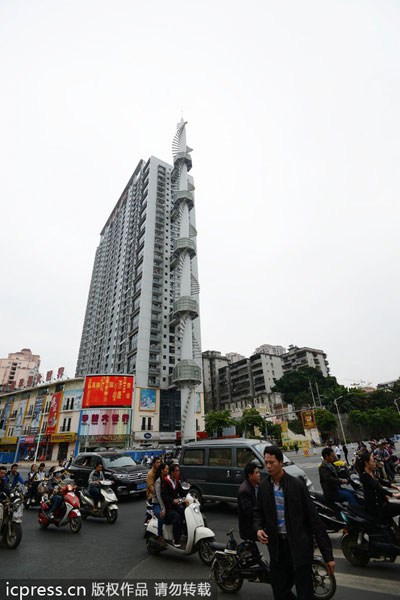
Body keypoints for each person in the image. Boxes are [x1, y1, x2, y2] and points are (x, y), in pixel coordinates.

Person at [254, 446, 334, 600]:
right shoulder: (264, 487)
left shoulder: (296, 486)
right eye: (266, 462)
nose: (268, 466)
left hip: (299, 547)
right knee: (279, 590)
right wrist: (258, 529)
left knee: (305, 591)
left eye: (272, 462)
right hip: (278, 548)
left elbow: (314, 520)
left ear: (281, 462)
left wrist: (328, 555)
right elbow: (258, 513)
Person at [357, 451, 400, 520]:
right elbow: (378, 488)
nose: (375, 464)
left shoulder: (371, 473)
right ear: (366, 463)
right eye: (373, 462)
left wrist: (396, 487)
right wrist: (394, 495)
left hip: (381, 502)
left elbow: (382, 482)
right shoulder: (365, 476)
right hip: (376, 507)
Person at [161, 462, 186, 547]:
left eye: (178, 471)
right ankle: (176, 539)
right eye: (176, 471)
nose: (178, 473)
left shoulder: (177, 482)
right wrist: (172, 500)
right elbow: (163, 495)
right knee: (177, 517)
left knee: (185, 511)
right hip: (167, 508)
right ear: (171, 472)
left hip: (175, 506)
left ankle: (184, 533)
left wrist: (190, 494)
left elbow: (182, 493)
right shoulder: (166, 482)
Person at [238, 462, 260, 541]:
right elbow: (250, 512)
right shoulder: (245, 491)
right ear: (250, 476)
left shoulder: (256, 485)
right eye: (257, 473)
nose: (259, 475)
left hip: (255, 524)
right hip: (249, 528)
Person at [151, 462, 169, 544]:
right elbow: (158, 496)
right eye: (166, 469)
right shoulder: (158, 481)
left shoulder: (167, 479)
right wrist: (163, 508)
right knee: (162, 515)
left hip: (164, 503)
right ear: (162, 470)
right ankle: (159, 535)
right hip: (157, 504)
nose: (168, 471)